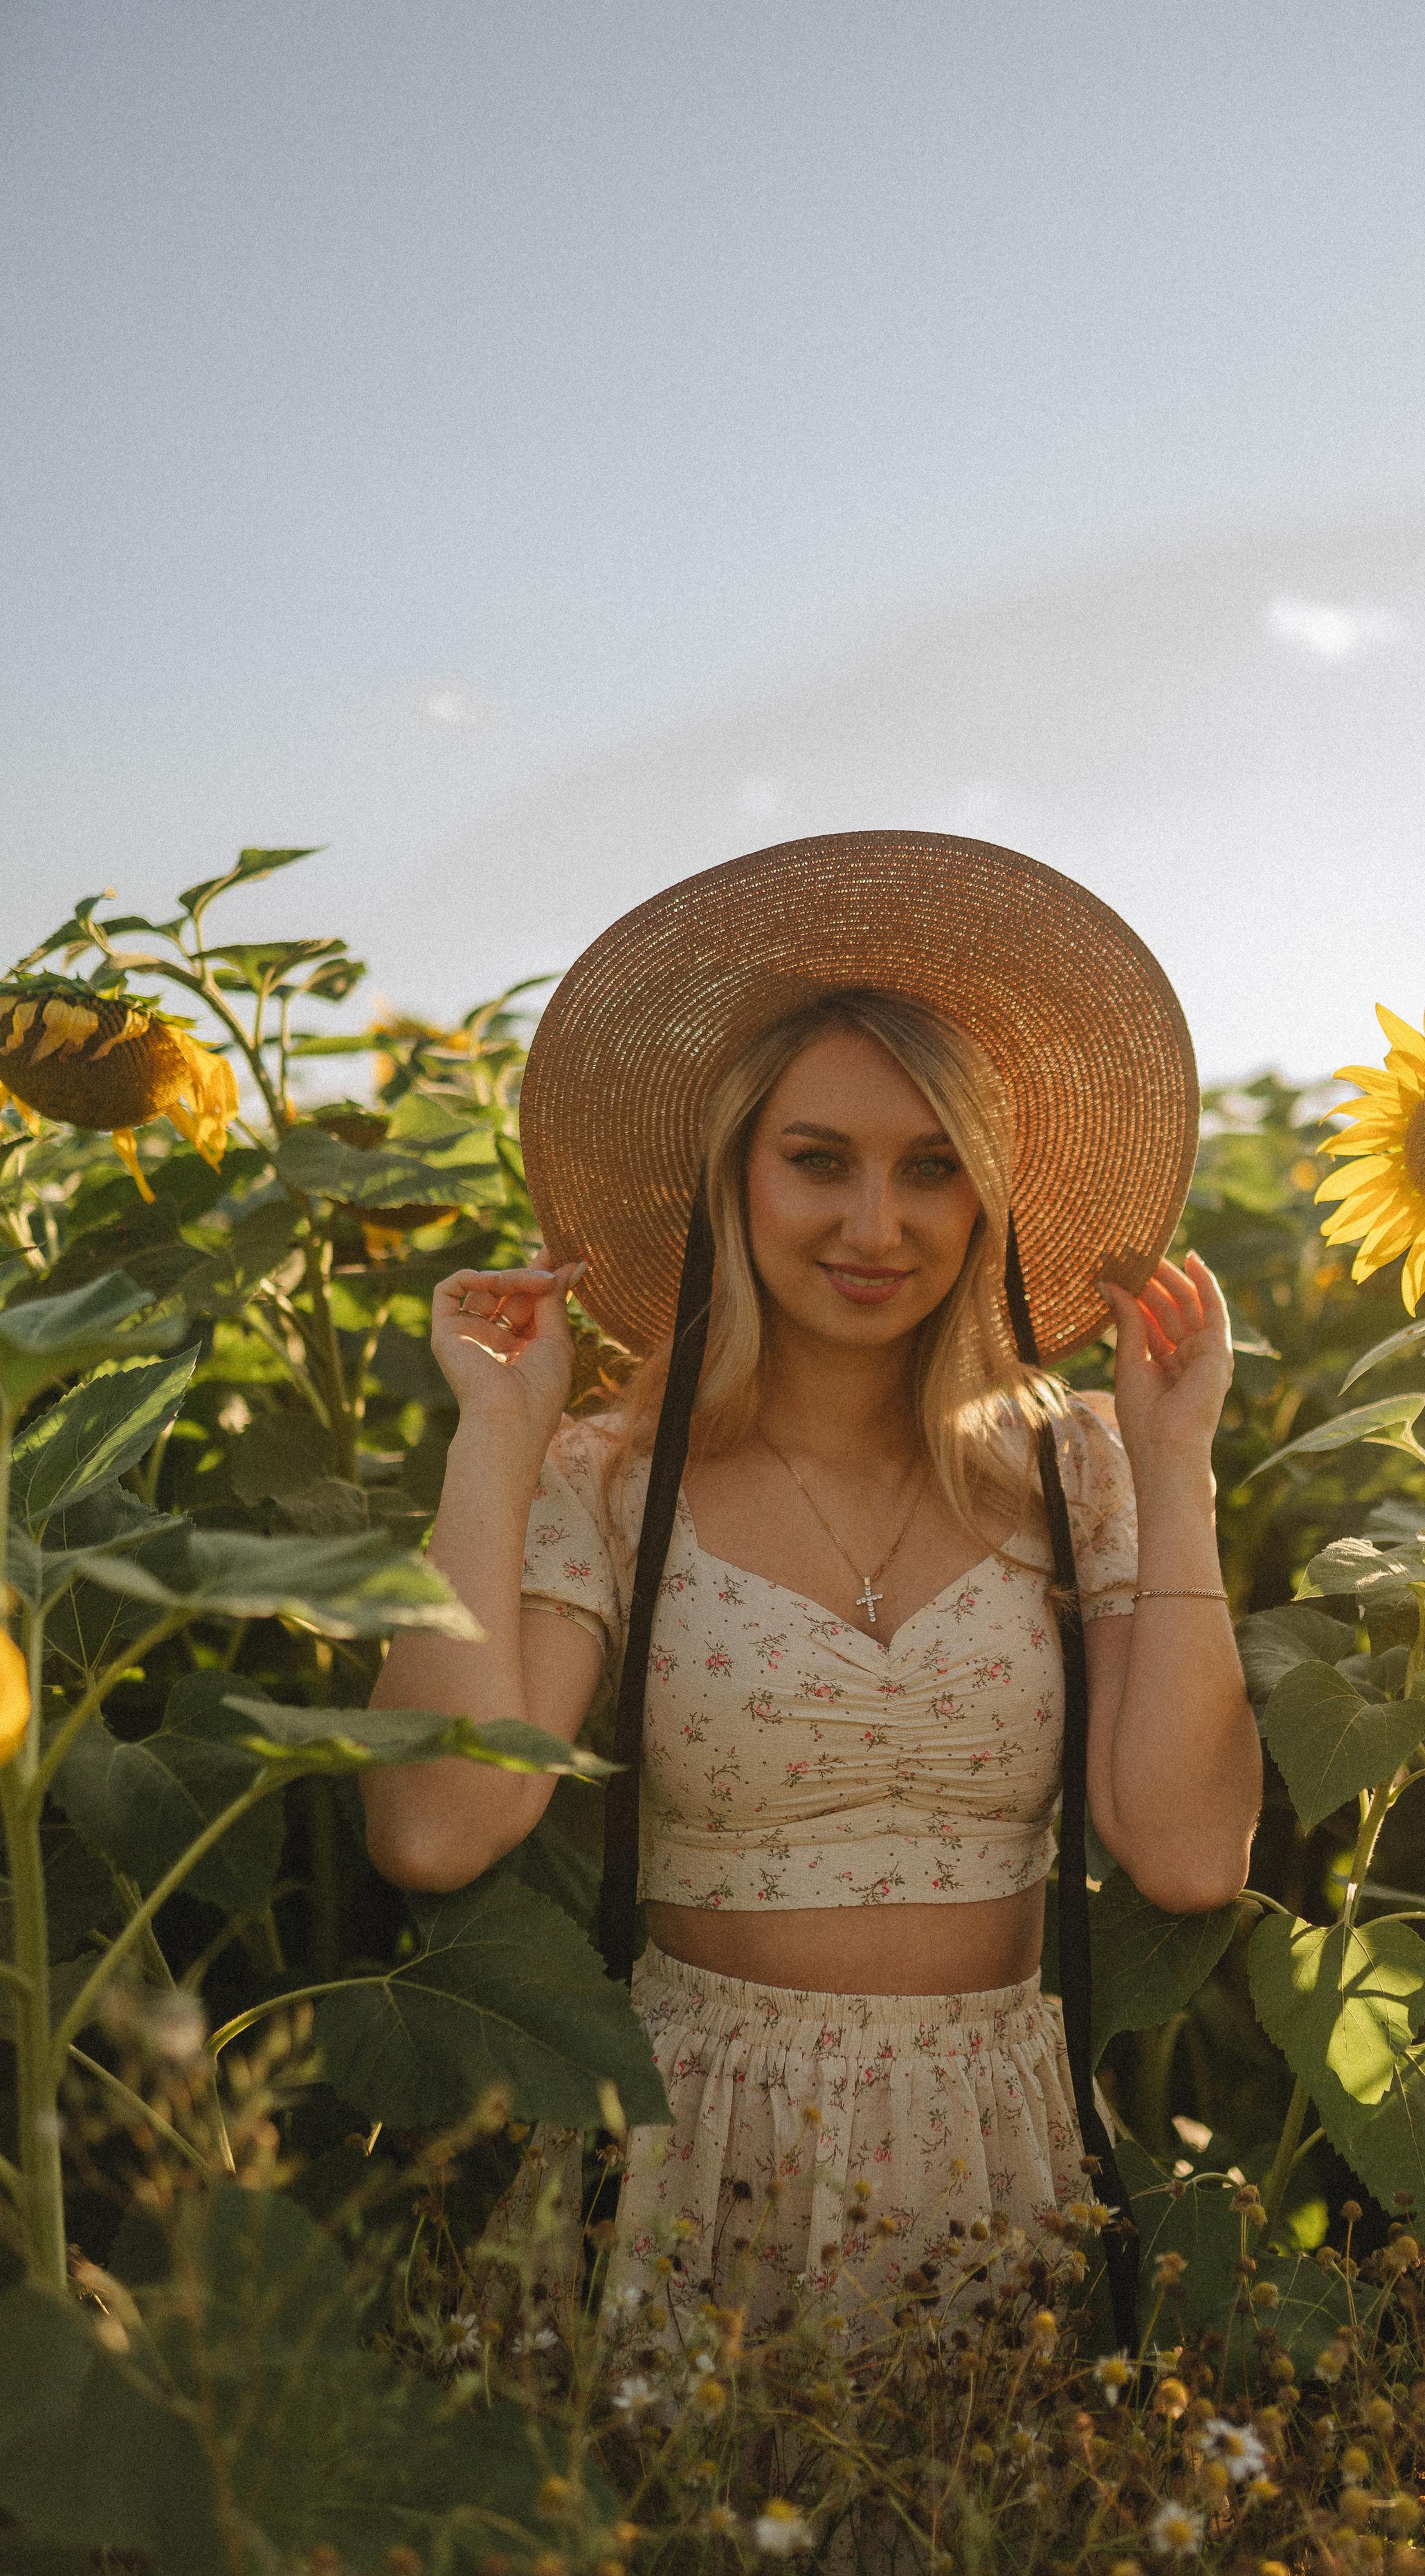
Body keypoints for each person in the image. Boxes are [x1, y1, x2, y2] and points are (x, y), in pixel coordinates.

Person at [361, 831, 1261, 2348]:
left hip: (996, 2141)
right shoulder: (613, 1479)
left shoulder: (1079, 1470)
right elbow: (435, 1828)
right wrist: (495, 1442)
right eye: (818, 1159)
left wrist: (1177, 1470)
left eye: (930, 1169)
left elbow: (1181, 1855)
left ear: (984, 1200)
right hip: (688, 2145)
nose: (874, 1225)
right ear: (734, 1172)